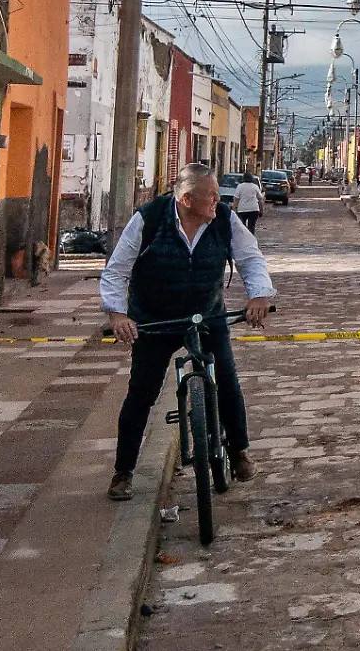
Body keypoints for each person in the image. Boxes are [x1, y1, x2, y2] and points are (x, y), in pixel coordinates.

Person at [100, 162, 276, 501]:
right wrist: (118, 314)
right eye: (209, 195)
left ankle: (239, 452)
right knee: (141, 394)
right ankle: (123, 471)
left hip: (206, 315)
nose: (217, 200)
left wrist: (259, 295)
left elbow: (251, 259)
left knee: (227, 380)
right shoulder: (149, 220)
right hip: (155, 319)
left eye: (216, 194)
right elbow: (116, 270)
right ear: (185, 199)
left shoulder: (224, 219)